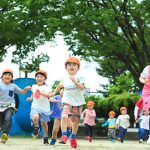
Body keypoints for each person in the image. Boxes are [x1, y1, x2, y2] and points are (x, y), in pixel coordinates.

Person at [52, 57, 85, 148]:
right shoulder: (64, 77)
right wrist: (53, 93)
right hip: (67, 100)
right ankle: (64, 135)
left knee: (75, 121)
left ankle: (73, 137)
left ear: (78, 68)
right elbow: (59, 85)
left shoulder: (80, 77)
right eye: (69, 65)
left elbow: (82, 87)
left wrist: (75, 81)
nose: (71, 66)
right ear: (66, 67)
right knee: (64, 116)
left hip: (78, 102)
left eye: (74, 65)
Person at [0, 69, 31, 143]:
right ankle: (3, 131)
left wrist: (25, 89)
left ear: (11, 77)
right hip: (0, 106)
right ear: (2, 77)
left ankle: (5, 134)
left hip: (10, 105)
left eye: (9, 75)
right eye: (5, 75)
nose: (7, 76)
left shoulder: (13, 86)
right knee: (1, 121)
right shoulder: (0, 85)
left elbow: (22, 92)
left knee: (8, 118)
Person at [26, 70, 52, 144]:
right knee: (35, 117)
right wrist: (30, 98)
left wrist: (40, 93)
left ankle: (46, 137)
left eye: (41, 77)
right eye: (37, 77)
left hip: (45, 108)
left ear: (44, 79)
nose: (39, 78)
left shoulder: (46, 87)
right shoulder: (34, 86)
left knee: (44, 124)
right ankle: (36, 127)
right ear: (35, 78)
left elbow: (49, 95)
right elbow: (33, 94)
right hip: (35, 106)